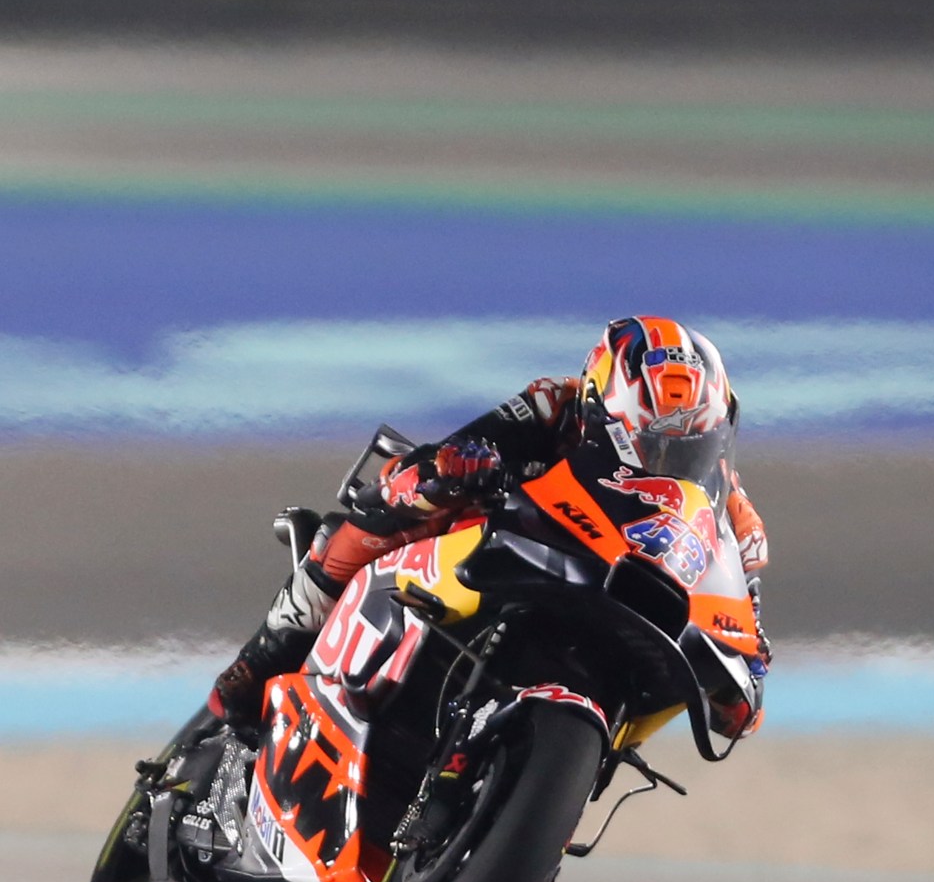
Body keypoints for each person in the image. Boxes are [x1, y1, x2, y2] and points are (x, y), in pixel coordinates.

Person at [207, 316, 770, 741]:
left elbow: (747, 642)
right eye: (650, 444)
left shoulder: (734, 518)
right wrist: (450, 471)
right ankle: (261, 660)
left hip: (619, 604)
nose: (664, 463)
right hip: (510, 547)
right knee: (382, 514)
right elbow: (426, 465)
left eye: (686, 448)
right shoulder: (551, 406)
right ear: (599, 411)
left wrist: (741, 682)